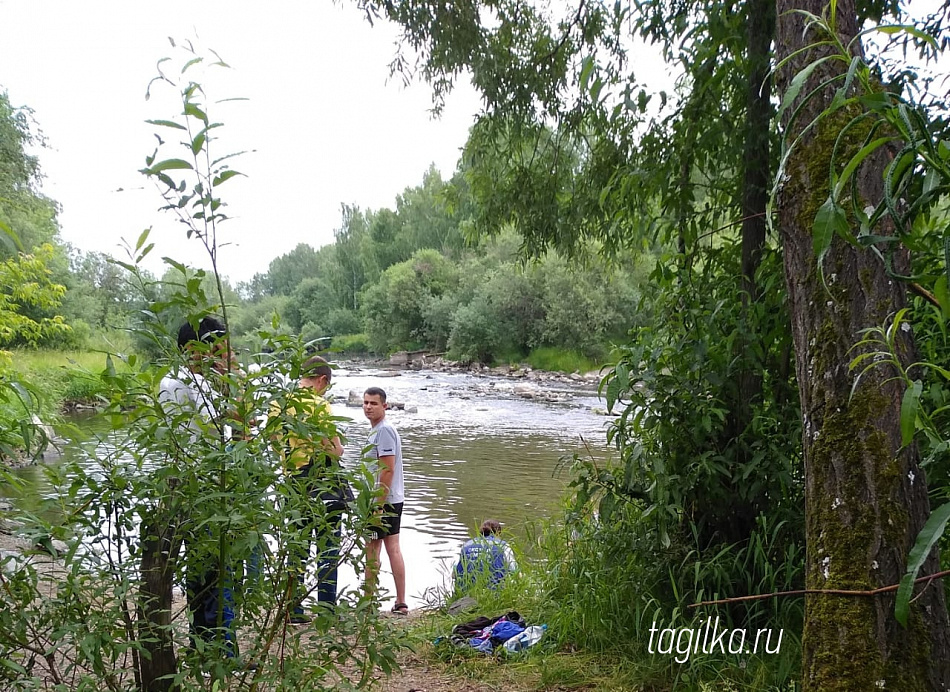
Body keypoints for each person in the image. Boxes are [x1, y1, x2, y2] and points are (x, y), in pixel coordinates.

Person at [158, 316, 239, 655]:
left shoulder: (170, 380)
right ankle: (221, 650)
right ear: (196, 348)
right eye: (215, 344)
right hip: (207, 485)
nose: (221, 352)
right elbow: (222, 427)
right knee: (218, 571)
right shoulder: (194, 383)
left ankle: (201, 645)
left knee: (201, 571)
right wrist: (230, 381)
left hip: (189, 484)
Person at [273, 355, 348, 624]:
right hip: (321, 482)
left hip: (292, 482)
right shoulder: (320, 406)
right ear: (322, 380)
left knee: (297, 547)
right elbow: (335, 449)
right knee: (328, 546)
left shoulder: (278, 404)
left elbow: (274, 441)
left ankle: (293, 608)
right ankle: (326, 609)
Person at [362, 386, 408, 615]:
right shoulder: (377, 430)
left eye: (374, 403)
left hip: (383, 499)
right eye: (366, 403)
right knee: (391, 548)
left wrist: (378, 505)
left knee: (373, 548)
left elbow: (387, 469)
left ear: (385, 406)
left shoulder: (384, 431)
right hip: (389, 498)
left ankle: (368, 602)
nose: (368, 407)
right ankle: (399, 602)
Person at [454, 519, 518, 590]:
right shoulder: (503, 546)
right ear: (498, 533)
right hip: (493, 590)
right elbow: (514, 571)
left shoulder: (466, 545)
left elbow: (455, 572)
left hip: (466, 590)